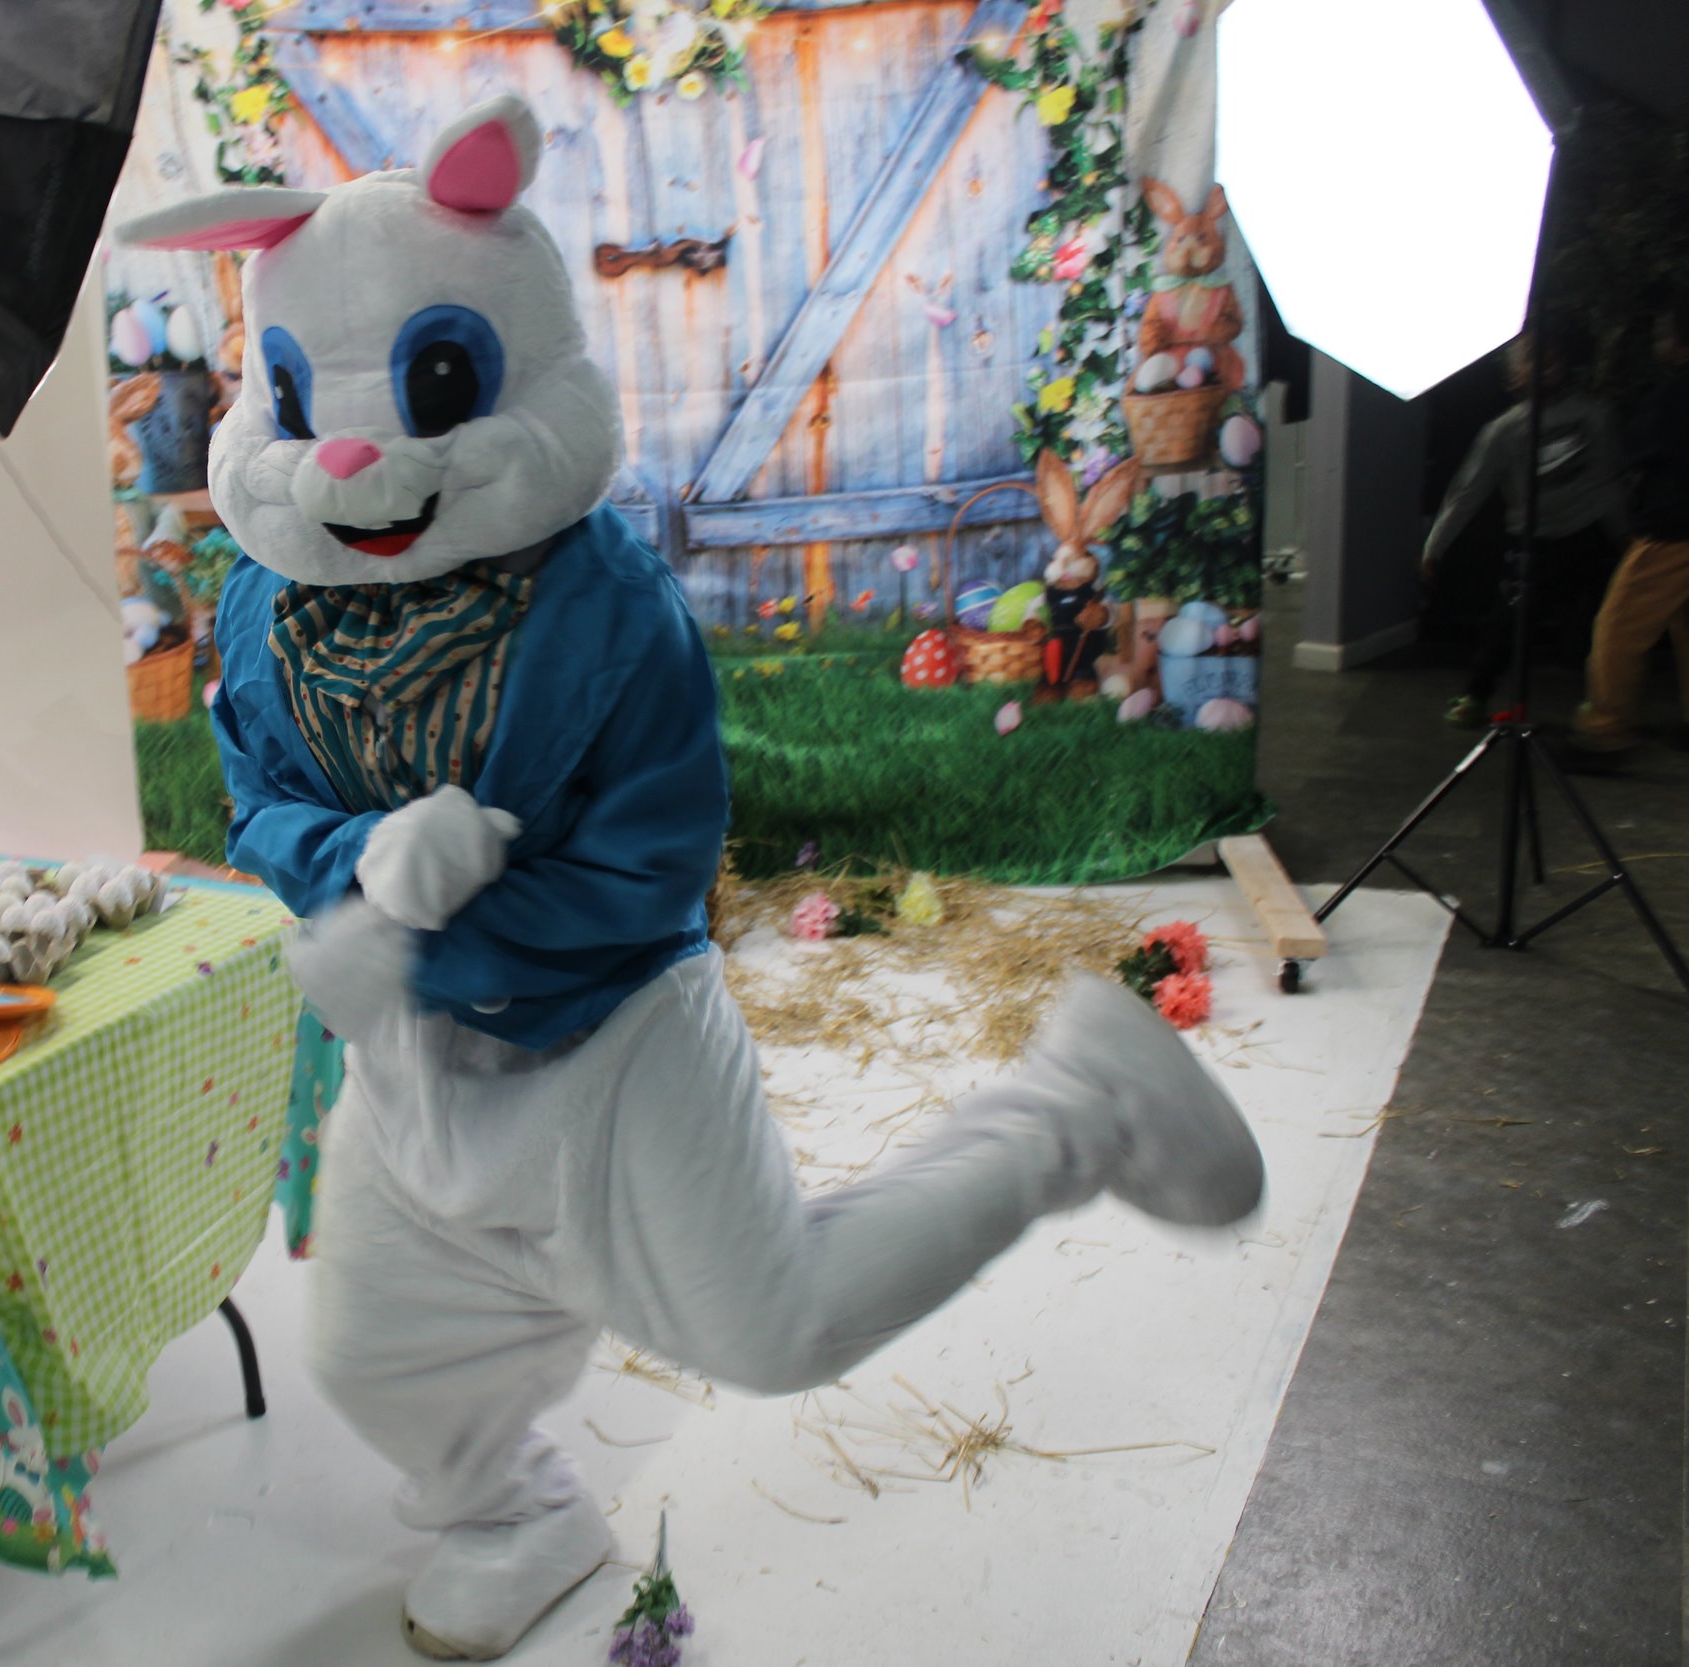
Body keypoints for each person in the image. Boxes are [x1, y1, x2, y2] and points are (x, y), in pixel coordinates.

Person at [124, 97, 1266, 1663]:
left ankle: (1078, 1108)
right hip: (415, 1065)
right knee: (381, 1344)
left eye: (434, 385)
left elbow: (647, 874)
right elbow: (262, 803)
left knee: (773, 1321)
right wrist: (360, 867)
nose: (350, 456)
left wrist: (435, 922)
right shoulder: (268, 615)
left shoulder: (609, 611)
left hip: (612, 1039)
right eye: (302, 398)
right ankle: (512, 1516)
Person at [1420, 321, 1632, 728]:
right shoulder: (1504, 431)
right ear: (1513, 376)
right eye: (1531, 358)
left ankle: (1602, 703)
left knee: (1601, 624)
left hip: (1586, 535)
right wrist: (1435, 547)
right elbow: (1467, 491)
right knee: (1506, 624)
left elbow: (1607, 483)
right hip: (1532, 542)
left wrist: (1623, 535)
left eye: (1550, 355)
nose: (1544, 364)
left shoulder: (1593, 416)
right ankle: (1476, 694)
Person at [1562, 293, 1689, 766]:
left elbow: (1641, 450)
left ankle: (1606, 731)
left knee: (1618, 626)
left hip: (1672, 528)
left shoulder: (1673, 396)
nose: (1657, 344)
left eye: (1663, 335)